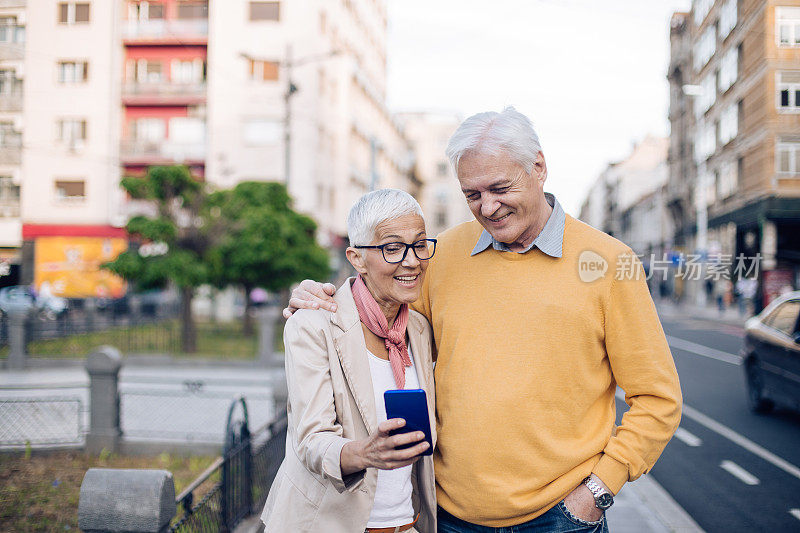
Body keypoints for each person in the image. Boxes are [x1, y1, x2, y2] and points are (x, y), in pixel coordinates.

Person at [286, 107, 682, 532]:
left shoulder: (609, 261)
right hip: (449, 515)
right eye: (472, 194)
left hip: (561, 519)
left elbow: (658, 399)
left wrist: (598, 492)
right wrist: (318, 300)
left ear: (539, 168)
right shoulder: (440, 256)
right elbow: (377, 321)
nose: (487, 207)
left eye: (499, 188)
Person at [261, 189, 438, 533]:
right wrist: (364, 452)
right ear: (356, 258)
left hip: (407, 523)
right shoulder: (312, 324)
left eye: (419, 244)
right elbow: (312, 440)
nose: (412, 260)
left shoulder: (418, 328)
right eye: (392, 248)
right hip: (328, 523)